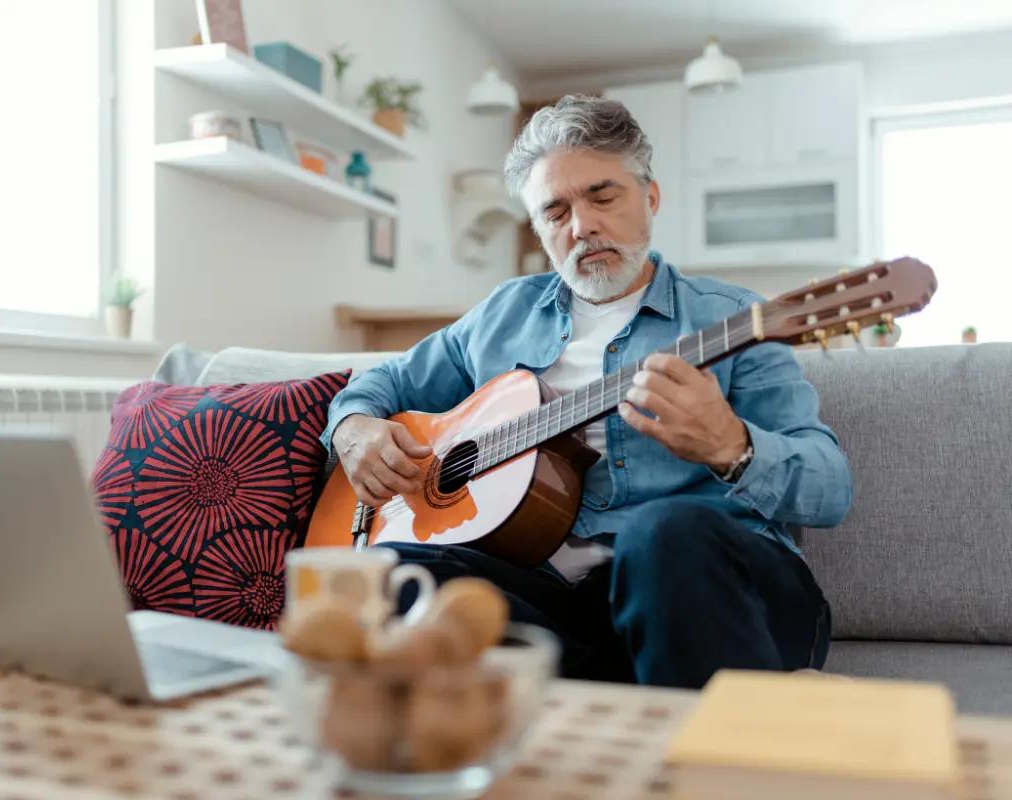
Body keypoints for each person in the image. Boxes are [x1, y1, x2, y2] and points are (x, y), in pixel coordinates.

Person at [318, 95, 852, 689]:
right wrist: (354, 427)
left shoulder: (735, 320)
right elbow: (384, 382)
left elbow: (831, 489)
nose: (582, 226)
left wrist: (733, 446)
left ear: (649, 198)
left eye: (603, 196)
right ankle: (630, 699)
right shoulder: (503, 314)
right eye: (555, 211)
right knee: (393, 571)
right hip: (559, 608)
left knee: (664, 530)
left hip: (713, 592)